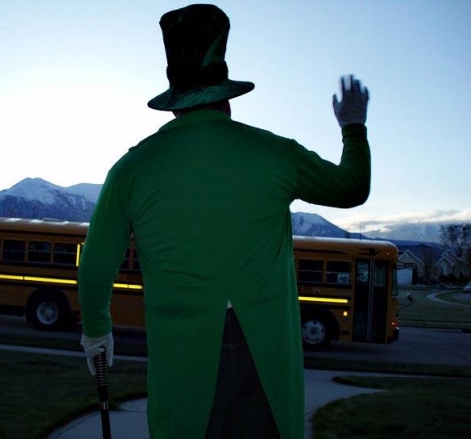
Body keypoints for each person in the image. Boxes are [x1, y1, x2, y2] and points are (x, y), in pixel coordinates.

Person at [78, 4, 370, 438]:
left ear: (175, 101)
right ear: (226, 93)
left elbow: (96, 267)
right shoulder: (274, 153)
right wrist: (353, 127)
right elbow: (351, 188)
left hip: (184, 368)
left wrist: (97, 334)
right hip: (265, 364)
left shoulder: (132, 169)